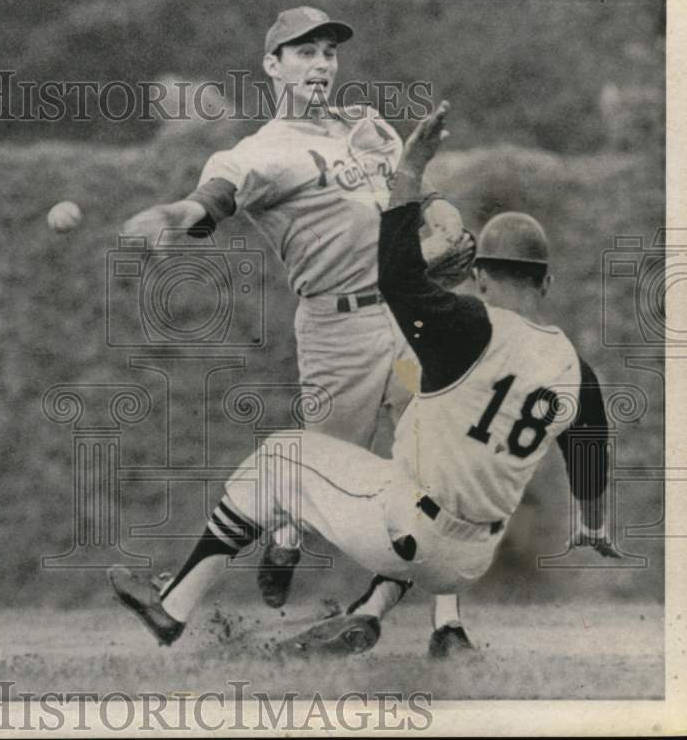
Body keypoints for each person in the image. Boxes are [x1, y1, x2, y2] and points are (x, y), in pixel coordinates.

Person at [109, 101, 618, 656]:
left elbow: (395, 275)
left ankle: (174, 604)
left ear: (479, 276)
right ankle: (400, 619)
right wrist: (591, 524)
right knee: (419, 454)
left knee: (283, 457)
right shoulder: (576, 373)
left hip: (411, 533)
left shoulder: (463, 325)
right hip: (472, 560)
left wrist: (412, 169)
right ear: (545, 285)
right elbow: (590, 455)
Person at [120, 6, 470, 653]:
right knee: (296, 475)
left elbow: (418, 192)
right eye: (304, 51)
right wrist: (176, 213)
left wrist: (447, 219)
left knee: (443, 459)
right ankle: (264, 551)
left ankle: (448, 627)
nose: (320, 63)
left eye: (328, 52)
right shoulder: (261, 151)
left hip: (409, 313)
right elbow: (216, 197)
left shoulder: (367, 126)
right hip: (340, 330)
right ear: (273, 65)